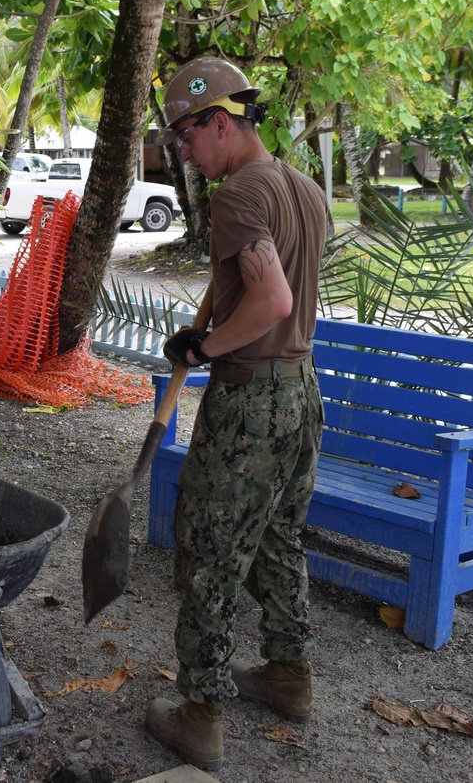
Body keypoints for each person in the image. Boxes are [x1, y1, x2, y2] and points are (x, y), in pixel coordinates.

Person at [146, 58, 328, 771]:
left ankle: (201, 712)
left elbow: (273, 300)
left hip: (251, 397)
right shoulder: (305, 190)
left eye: (187, 138)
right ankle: (289, 674)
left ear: (220, 123)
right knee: (278, 537)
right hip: (301, 390)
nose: (184, 154)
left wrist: (203, 344)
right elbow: (295, 303)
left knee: (207, 553)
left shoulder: (239, 197)